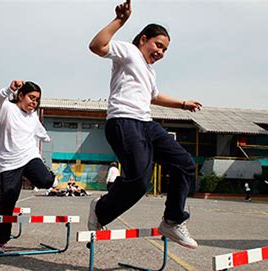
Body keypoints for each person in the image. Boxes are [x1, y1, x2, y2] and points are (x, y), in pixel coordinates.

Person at [87, 0, 202, 249]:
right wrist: (120, 21)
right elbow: (97, 46)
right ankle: (101, 209)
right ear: (143, 40)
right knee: (139, 182)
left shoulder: (150, 71)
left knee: (184, 163)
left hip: (146, 123)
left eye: (165, 50)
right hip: (123, 121)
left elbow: (154, 97)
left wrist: (183, 104)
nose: (160, 52)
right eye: (158, 45)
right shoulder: (128, 52)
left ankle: (172, 221)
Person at [0, 80, 57, 253]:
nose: (34, 102)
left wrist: (46, 137)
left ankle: (51, 178)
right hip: (9, 163)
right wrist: (8, 89)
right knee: (8, 201)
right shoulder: (7, 109)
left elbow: (39, 130)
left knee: (46, 181)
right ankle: (1, 240)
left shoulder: (33, 116)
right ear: (21, 95)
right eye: (31, 97)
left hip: (29, 156)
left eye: (37, 100)